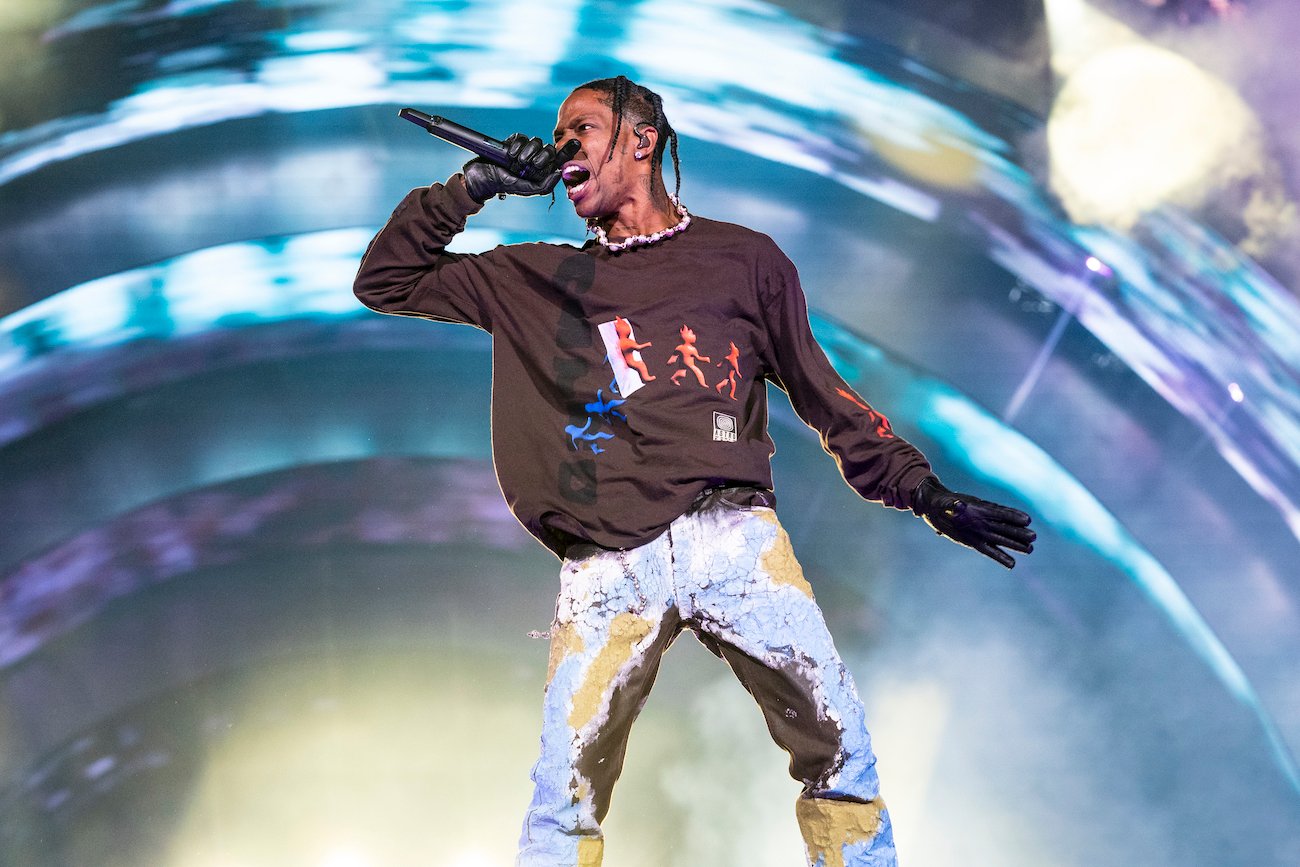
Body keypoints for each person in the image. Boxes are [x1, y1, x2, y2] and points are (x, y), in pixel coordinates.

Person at [354, 74, 1035, 867]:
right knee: (563, 796)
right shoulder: (533, 277)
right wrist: (470, 187)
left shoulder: (744, 261)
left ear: (639, 142)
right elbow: (386, 280)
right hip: (608, 563)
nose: (561, 144)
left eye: (581, 129)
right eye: (556, 133)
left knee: (840, 747)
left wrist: (920, 488)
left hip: (736, 539)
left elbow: (823, 391)